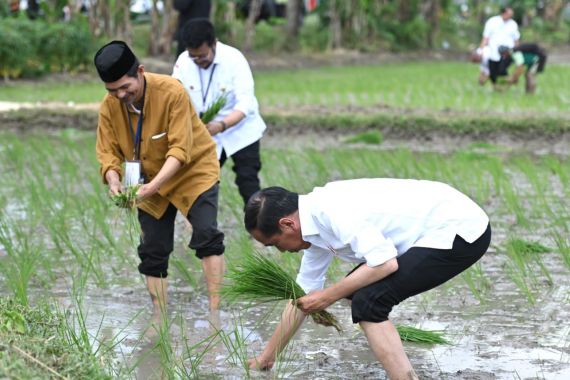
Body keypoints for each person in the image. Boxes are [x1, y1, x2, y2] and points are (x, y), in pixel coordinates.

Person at [244, 178, 491, 379]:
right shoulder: (312, 228)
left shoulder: (330, 210)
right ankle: (394, 359)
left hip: (458, 228)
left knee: (368, 302)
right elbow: (302, 297)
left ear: (287, 224)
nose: (282, 251)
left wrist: (328, 297)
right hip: (434, 223)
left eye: (275, 244)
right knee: (357, 294)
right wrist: (267, 357)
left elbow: (385, 263)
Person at [94, 40, 225, 314]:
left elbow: (180, 150)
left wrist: (153, 186)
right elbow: (107, 152)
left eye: (124, 87)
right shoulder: (109, 106)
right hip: (148, 177)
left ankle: (215, 310)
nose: (119, 95)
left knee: (206, 234)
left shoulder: (171, 91)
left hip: (192, 171)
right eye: (112, 90)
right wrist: (114, 180)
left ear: (140, 71)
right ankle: (159, 314)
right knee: (152, 248)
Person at [173, 18, 266, 208]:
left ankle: (261, 230)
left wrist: (221, 125)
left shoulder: (234, 59)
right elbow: (175, 98)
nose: (198, 61)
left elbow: (245, 103)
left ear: (213, 43)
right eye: (194, 57)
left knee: (247, 180)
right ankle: (203, 232)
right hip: (207, 134)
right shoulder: (183, 62)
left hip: (241, 130)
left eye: (203, 56)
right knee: (202, 183)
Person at [479, 6, 520, 87]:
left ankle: (506, 83)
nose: (510, 16)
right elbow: (486, 37)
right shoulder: (492, 21)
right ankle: (495, 84)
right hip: (493, 51)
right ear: (503, 13)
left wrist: (517, 50)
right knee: (492, 70)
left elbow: (516, 40)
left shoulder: (513, 24)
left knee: (502, 69)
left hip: (507, 52)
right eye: (509, 14)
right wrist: (481, 49)